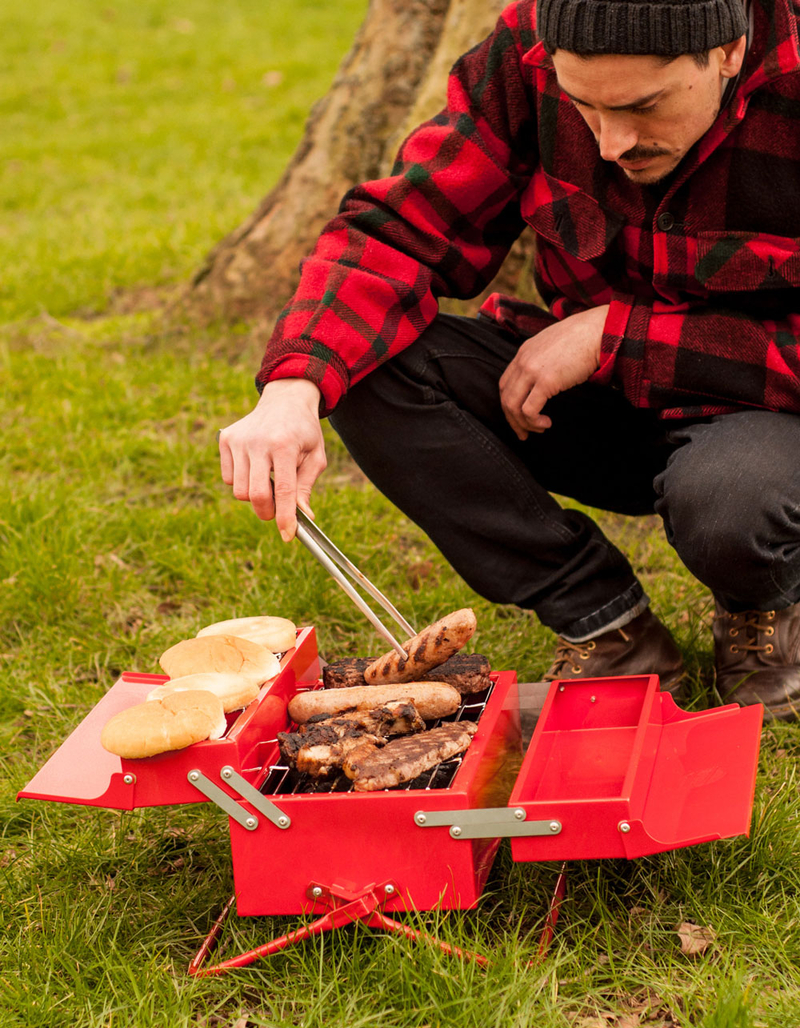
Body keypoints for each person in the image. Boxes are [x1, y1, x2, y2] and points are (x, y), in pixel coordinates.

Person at [218, 0, 800, 720]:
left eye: (643, 106)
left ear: (730, 51)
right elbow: (401, 229)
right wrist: (293, 386)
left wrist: (617, 334)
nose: (613, 143)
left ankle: (762, 610)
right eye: (585, 106)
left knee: (733, 502)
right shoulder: (524, 50)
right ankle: (608, 628)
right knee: (367, 365)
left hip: (764, 421)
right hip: (594, 407)